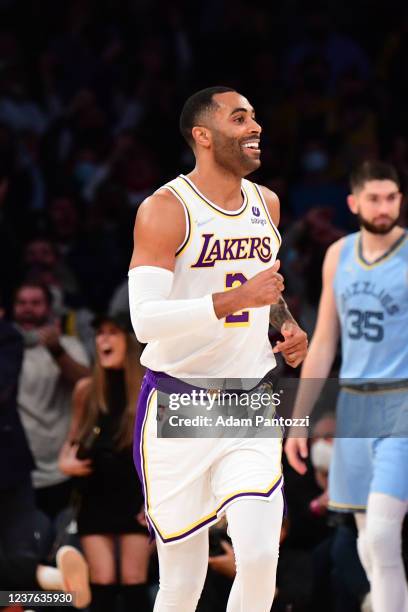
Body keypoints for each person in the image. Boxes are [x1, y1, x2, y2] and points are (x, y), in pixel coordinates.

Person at [128, 86, 308, 612]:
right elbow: (145, 321)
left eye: (255, 116)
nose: (255, 127)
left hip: (248, 397)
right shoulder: (166, 210)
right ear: (203, 136)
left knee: (257, 556)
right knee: (182, 584)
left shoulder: (265, 203)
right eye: (239, 118)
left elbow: (264, 287)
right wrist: (238, 297)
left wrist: (286, 324)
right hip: (178, 404)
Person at [286, 160, 408, 612]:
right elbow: (322, 343)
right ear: (354, 202)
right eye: (374, 198)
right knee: (362, 542)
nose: (384, 207)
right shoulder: (339, 254)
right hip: (354, 407)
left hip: (400, 404)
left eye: (391, 197)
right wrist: (299, 421)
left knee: (381, 533)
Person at [0, 299, 90, 609]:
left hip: (12, 468)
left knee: (20, 551)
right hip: (19, 465)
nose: (26, 308)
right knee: (18, 562)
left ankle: (52, 592)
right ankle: (52, 582)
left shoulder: (6, 337)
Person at [59, 312, 150, 612]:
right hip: (96, 496)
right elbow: (70, 446)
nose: (104, 339)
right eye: (100, 333)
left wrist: (154, 502)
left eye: (112, 333)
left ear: (128, 340)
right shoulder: (86, 390)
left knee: (134, 581)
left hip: (137, 499)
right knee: (102, 582)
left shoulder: (148, 389)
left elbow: (163, 454)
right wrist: (66, 465)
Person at [13, 281, 90, 520]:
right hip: (17, 470)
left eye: (36, 303)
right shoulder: (6, 349)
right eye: (22, 303)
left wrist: (56, 351)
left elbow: (88, 386)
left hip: (60, 467)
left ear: (49, 308)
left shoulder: (68, 345)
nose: (28, 309)